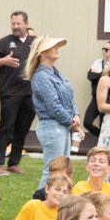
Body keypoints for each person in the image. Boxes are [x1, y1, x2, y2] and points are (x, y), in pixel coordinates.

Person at [0, 10, 36, 173]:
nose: (15, 27)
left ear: (26, 24)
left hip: (30, 93)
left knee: (23, 129)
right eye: (13, 23)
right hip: (10, 92)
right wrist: (3, 61)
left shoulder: (35, 42)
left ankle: (14, 162)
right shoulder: (4, 43)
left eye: (18, 23)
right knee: (6, 128)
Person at [28, 34, 79, 168]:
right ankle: (43, 190)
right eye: (52, 46)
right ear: (42, 53)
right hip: (52, 126)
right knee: (52, 170)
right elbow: (53, 106)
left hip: (62, 126)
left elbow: (69, 97)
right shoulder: (41, 76)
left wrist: (76, 115)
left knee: (62, 169)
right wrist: (72, 122)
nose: (57, 48)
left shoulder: (56, 73)